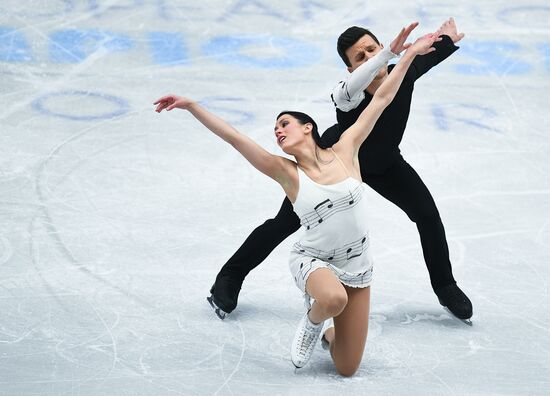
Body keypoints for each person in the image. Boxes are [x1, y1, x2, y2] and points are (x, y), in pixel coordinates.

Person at [154, 29, 439, 375]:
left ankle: (333, 332)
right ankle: (261, 294)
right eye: (276, 127)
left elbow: (383, 99)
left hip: (359, 248)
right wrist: (192, 106)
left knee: (348, 368)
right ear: (349, 68)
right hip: (315, 247)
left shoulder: (347, 148)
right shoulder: (325, 120)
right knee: (290, 238)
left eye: (285, 123)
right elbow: (234, 138)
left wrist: (414, 52)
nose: (278, 130)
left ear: (308, 128)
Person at [209, 17, 473, 323]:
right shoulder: (349, 94)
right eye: (360, 58)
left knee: (427, 215)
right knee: (283, 223)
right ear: (351, 69)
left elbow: (424, 55)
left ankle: (445, 285)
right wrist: (389, 53)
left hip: (386, 164)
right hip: (336, 165)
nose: (371, 58)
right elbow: (364, 77)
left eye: (372, 49)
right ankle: (229, 277)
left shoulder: (405, 72)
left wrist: (447, 40)